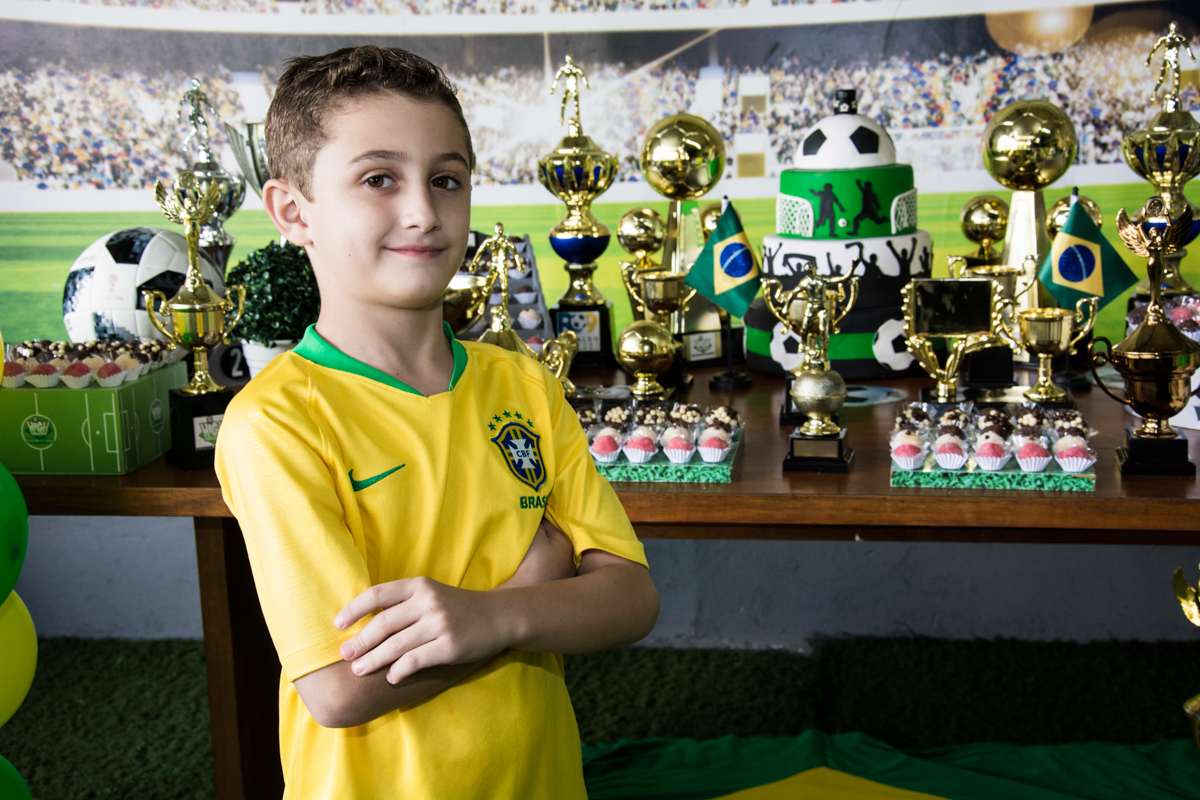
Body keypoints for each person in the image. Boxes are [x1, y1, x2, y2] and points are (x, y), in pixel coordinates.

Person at [214, 45, 658, 799]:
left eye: (446, 179)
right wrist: (533, 593)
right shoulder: (276, 423)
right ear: (293, 212)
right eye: (379, 179)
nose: (423, 211)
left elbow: (631, 598)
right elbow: (341, 688)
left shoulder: (522, 383)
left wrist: (492, 614)